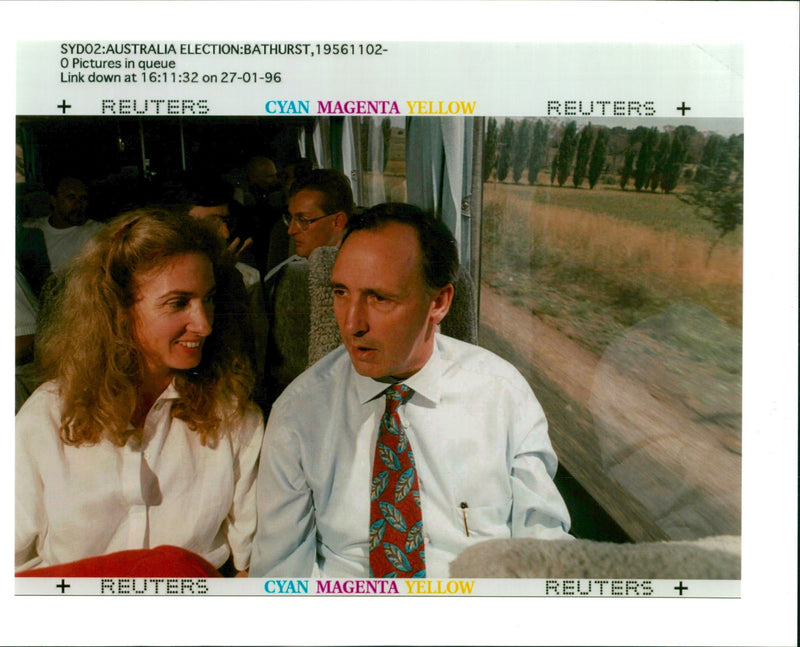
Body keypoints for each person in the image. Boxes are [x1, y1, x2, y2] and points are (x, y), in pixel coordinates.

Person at [251, 203, 571, 579]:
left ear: (438, 303)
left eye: (379, 298)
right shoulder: (299, 411)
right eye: (340, 292)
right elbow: (279, 572)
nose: (351, 324)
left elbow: (544, 546)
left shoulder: (503, 396)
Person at [16, 208, 264, 575]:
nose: (204, 324)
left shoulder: (234, 417)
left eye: (208, 299)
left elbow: (252, 567)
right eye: (178, 303)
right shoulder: (47, 416)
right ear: (117, 309)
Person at [261, 169, 353, 405]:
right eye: (290, 218)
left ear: (337, 221)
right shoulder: (290, 270)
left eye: (303, 220)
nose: (291, 230)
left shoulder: (293, 278)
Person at [23, 176, 104, 274]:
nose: (79, 204)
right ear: (54, 200)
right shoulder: (31, 229)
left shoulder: (97, 232)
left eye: (83, 198)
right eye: (71, 197)